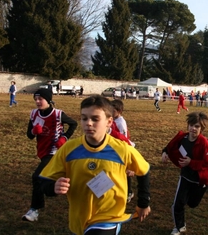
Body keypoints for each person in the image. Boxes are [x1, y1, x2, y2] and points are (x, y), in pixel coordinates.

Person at [40, 95, 151, 235]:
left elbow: (144, 170)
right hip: (79, 219)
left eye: (95, 119)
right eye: (84, 118)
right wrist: (53, 187)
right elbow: (44, 180)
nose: (88, 123)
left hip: (109, 217)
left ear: (109, 122)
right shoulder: (69, 149)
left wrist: (143, 202)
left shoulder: (122, 149)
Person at [22, 88, 77, 222]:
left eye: (40, 99)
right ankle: (56, 187)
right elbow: (29, 135)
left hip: (54, 152)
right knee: (49, 178)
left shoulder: (58, 114)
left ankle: (34, 210)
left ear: (48, 100)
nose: (37, 101)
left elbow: (73, 124)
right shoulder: (34, 114)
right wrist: (34, 131)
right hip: (42, 151)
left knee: (37, 176)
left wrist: (64, 137)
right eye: (35, 99)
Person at [161, 112, 208, 235]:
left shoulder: (204, 143)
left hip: (200, 179)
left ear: (202, 128)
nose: (193, 129)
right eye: (191, 125)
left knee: (192, 204)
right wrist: (165, 152)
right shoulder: (182, 137)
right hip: (185, 176)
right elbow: (170, 146)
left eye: (196, 126)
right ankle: (179, 226)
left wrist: (191, 162)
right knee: (178, 204)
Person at [110, 99, 136, 203]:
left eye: (114, 111)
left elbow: (124, 138)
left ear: (119, 111)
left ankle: (129, 192)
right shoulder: (113, 120)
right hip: (114, 148)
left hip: (123, 149)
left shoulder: (121, 122)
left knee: (126, 172)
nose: (111, 112)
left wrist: (123, 151)